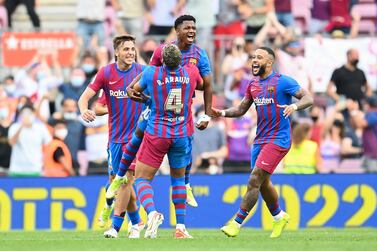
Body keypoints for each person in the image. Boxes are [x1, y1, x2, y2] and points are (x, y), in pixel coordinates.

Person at [106, 14, 214, 209]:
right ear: (177, 30)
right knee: (137, 137)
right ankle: (119, 176)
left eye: (193, 28)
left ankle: (186, 185)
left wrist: (206, 113)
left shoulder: (199, 54)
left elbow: (207, 85)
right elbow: (149, 71)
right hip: (155, 108)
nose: (191, 31)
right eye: (187, 28)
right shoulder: (163, 51)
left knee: (185, 147)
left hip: (183, 111)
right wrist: (132, 86)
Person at [211, 47, 313, 238]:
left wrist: (293, 105)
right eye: (253, 57)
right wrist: (222, 113)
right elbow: (241, 109)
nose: (254, 61)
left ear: (270, 62)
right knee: (263, 183)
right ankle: (279, 216)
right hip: (260, 141)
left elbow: (308, 98)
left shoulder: (283, 81)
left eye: (259, 57)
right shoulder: (253, 84)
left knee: (254, 179)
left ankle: (236, 223)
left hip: (278, 139)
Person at [131, 43, 203, 239]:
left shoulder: (151, 73)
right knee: (178, 180)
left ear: (162, 60)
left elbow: (134, 90)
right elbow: (204, 84)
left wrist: (148, 99)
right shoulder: (191, 71)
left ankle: (152, 213)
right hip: (181, 133)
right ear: (181, 60)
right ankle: (180, 227)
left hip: (157, 132)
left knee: (142, 179)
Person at [78, 34, 144, 239]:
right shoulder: (106, 73)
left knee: (125, 181)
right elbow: (87, 100)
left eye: (133, 49)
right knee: (117, 182)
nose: (130, 52)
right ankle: (137, 222)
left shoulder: (142, 72)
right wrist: (84, 110)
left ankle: (115, 226)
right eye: (126, 49)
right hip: (115, 138)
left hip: (136, 138)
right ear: (116, 52)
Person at [8, 105, 52, 176]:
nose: (27, 116)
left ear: (34, 114)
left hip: (35, 169)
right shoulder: (14, 127)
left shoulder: (41, 128)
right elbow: (11, 142)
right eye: (24, 114)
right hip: (17, 169)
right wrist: (22, 126)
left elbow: (49, 145)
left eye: (29, 113)